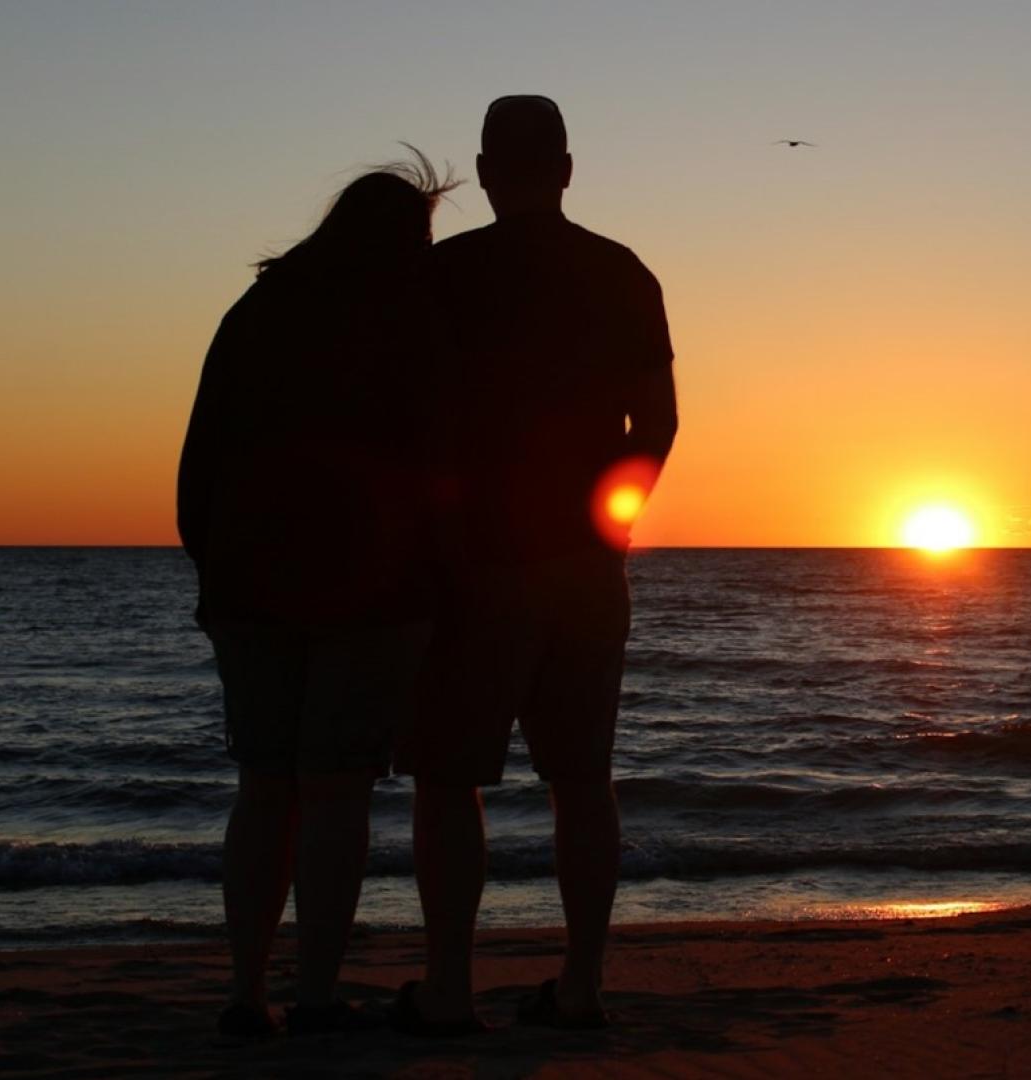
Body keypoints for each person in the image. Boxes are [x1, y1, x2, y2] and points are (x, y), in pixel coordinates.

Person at [391, 95, 678, 1036]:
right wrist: (611, 524)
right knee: (582, 779)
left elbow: (409, 424)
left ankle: (447, 986)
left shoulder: (441, 277)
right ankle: (583, 983)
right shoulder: (622, 273)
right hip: (587, 569)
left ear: (483, 171)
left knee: (448, 779)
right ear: (564, 168)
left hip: (476, 564)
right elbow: (660, 422)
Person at [177, 150, 458, 1038]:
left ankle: (246, 992)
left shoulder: (257, 311)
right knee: (336, 793)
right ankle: (316, 994)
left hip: (252, 585)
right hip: (374, 595)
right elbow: (442, 466)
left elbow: (201, 461)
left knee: (264, 789)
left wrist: (212, 575)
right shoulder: (411, 320)